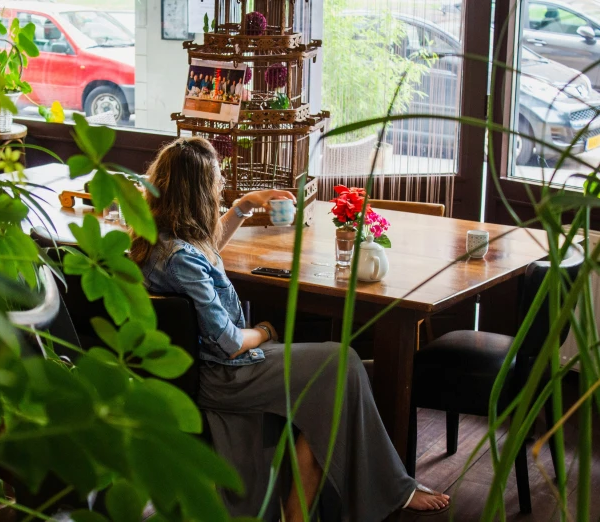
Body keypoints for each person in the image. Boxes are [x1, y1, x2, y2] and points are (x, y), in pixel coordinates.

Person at [130, 137, 451, 522]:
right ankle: (389, 490)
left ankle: (313, 510)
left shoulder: (160, 242)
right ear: (196, 192)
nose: (220, 186)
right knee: (342, 363)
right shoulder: (183, 260)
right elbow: (230, 342)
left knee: (336, 378)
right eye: (216, 180)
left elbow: (205, 250)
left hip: (215, 367)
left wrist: (242, 207)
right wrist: (267, 331)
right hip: (227, 374)